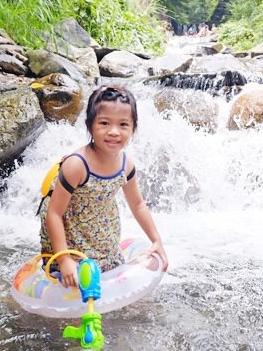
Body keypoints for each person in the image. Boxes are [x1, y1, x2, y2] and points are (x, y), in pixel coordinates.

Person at [39, 85, 169, 288]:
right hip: (73, 240)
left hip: (103, 237)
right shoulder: (77, 165)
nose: (114, 132)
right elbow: (54, 213)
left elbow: (138, 205)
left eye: (123, 124)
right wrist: (64, 259)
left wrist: (156, 241)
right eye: (104, 123)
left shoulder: (126, 163)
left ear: (133, 128)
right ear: (90, 126)